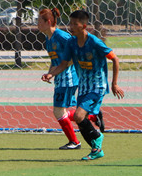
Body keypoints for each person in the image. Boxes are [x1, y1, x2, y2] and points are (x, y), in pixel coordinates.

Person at [43, 10, 124, 160]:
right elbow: (64, 63)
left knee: (79, 115)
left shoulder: (94, 42)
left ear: (84, 26)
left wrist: (114, 84)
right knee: (80, 120)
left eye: (75, 24)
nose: (71, 26)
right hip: (83, 86)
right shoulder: (71, 42)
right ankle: (96, 149)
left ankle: (97, 137)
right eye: (70, 23)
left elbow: (115, 59)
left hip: (97, 86)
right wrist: (51, 74)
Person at [37, 8, 83, 149]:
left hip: (67, 78)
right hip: (61, 77)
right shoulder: (48, 38)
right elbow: (55, 59)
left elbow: (73, 55)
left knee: (58, 111)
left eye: (39, 21)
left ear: (48, 22)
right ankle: (92, 116)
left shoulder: (61, 36)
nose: (37, 24)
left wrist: (55, 72)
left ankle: (74, 142)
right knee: (62, 111)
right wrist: (49, 72)